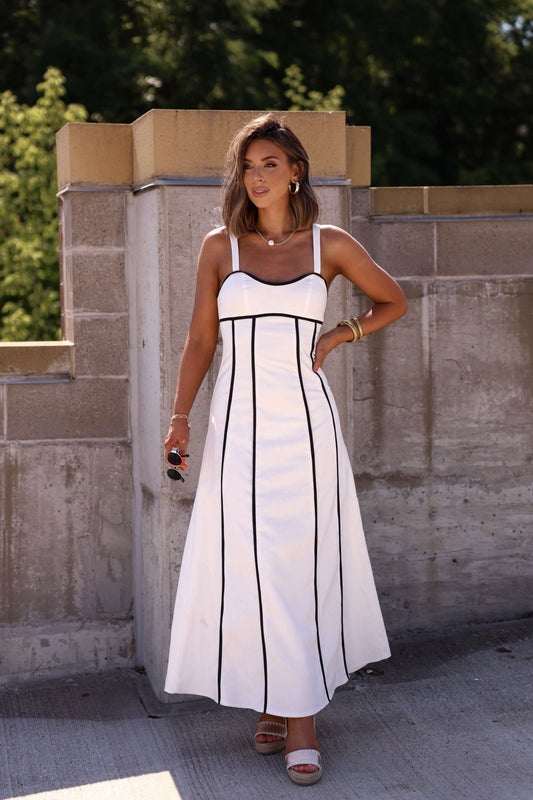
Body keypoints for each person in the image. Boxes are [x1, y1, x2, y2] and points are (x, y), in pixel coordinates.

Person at [163, 113, 407, 786]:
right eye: (248, 166)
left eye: (271, 163)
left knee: (296, 565)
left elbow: (392, 300)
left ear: (296, 169)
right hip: (237, 433)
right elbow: (199, 343)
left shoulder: (329, 244)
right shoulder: (220, 248)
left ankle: (300, 719)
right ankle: (274, 698)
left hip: (304, 433)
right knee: (253, 565)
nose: (259, 176)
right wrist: (179, 418)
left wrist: (337, 336)